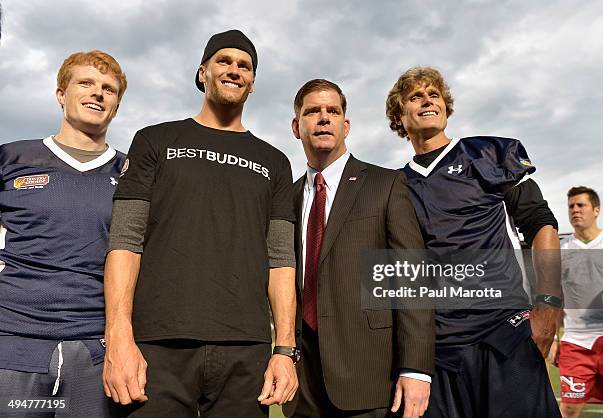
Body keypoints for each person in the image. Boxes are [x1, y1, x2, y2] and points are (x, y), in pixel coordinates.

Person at [102, 29, 298, 417]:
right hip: (158, 344)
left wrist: (285, 350)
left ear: (253, 83)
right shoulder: (155, 141)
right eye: (224, 61)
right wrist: (119, 335)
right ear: (202, 72)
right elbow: (125, 239)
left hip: (246, 350)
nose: (234, 70)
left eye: (244, 66)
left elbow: (281, 259)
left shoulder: (274, 162)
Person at [385, 66, 563, 418]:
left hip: (502, 334)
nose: (427, 100)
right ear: (399, 115)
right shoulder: (393, 185)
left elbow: (540, 223)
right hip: (436, 351)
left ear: (446, 107)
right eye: (415, 96)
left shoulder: (488, 154)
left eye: (434, 94)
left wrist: (548, 303)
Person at [283, 79, 435, 418]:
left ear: (345, 125)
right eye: (312, 112)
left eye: (333, 111)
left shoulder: (385, 184)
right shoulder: (287, 199)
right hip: (304, 382)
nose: (323, 118)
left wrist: (416, 369)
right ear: (297, 126)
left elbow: (412, 280)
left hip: (370, 377)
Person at [0, 50, 127, 417]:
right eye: (85, 83)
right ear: (61, 93)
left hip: (94, 350)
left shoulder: (132, 171)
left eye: (109, 88)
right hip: (12, 343)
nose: (97, 93)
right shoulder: (11, 158)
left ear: (116, 104)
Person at [549, 186, 603, 418]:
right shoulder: (561, 250)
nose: (575, 210)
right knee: (568, 409)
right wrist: (553, 340)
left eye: (581, 205)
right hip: (576, 341)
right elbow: (554, 298)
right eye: (571, 206)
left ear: (596, 210)